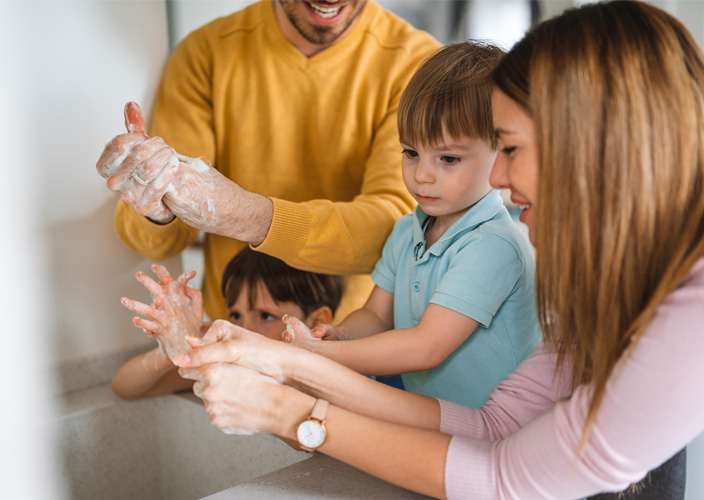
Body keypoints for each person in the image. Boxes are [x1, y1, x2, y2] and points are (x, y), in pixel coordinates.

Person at [167, 2, 704, 498]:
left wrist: (294, 397)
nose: (498, 178)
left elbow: (500, 475)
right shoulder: (613, 297)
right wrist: (292, 370)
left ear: (596, 148)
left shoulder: (687, 318)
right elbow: (494, 428)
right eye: (412, 153)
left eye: (509, 148)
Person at [95, 0, 441, 325]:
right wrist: (156, 202)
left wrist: (243, 214)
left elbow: (397, 232)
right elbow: (156, 241)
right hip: (237, 338)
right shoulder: (205, 54)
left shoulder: (419, 65)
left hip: (358, 342)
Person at [284, 41, 540, 407]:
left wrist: (317, 356)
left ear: (503, 152)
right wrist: (338, 335)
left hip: (502, 433)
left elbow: (426, 346)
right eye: (411, 152)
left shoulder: (493, 245)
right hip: (438, 421)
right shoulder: (407, 232)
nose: (421, 175)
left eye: (448, 158)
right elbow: (375, 315)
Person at [111, 247, 343, 400]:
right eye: (235, 316)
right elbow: (123, 388)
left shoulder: (331, 377)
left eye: (265, 316)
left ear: (318, 321)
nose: (245, 329)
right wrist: (174, 352)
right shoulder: (233, 366)